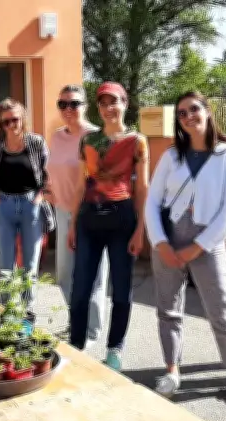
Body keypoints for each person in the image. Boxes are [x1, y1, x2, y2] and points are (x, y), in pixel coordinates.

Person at [145, 91, 226, 405]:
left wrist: (198, 247)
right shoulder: (171, 156)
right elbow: (152, 202)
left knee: (221, 311)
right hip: (167, 239)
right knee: (168, 311)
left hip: (209, 242)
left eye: (194, 109)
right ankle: (171, 371)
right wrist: (161, 243)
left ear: (207, 111)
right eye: (182, 113)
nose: (189, 116)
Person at [67, 81, 148, 371]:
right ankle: (76, 345)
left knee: (122, 289)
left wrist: (140, 229)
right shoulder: (88, 141)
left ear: (125, 103)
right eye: (103, 103)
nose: (109, 108)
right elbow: (80, 184)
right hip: (89, 217)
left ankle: (115, 349)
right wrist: (73, 224)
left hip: (121, 218)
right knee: (80, 289)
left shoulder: (137, 141)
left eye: (114, 101)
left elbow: (143, 188)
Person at [47, 84, 110, 349]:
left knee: (93, 273)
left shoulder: (97, 136)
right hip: (63, 211)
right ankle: (78, 320)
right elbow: (52, 168)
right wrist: (49, 191)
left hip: (91, 213)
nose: (68, 110)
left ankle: (91, 330)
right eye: (63, 104)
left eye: (74, 104)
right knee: (65, 274)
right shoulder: (57, 137)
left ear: (85, 106)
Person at [0, 97, 55, 307]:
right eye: (6, 122)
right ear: (0, 124)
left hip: (31, 204)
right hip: (4, 205)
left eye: (15, 119)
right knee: (5, 263)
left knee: (30, 264)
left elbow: (49, 174)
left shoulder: (36, 142)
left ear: (22, 119)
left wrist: (40, 199)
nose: (11, 125)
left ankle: (27, 310)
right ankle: (6, 310)